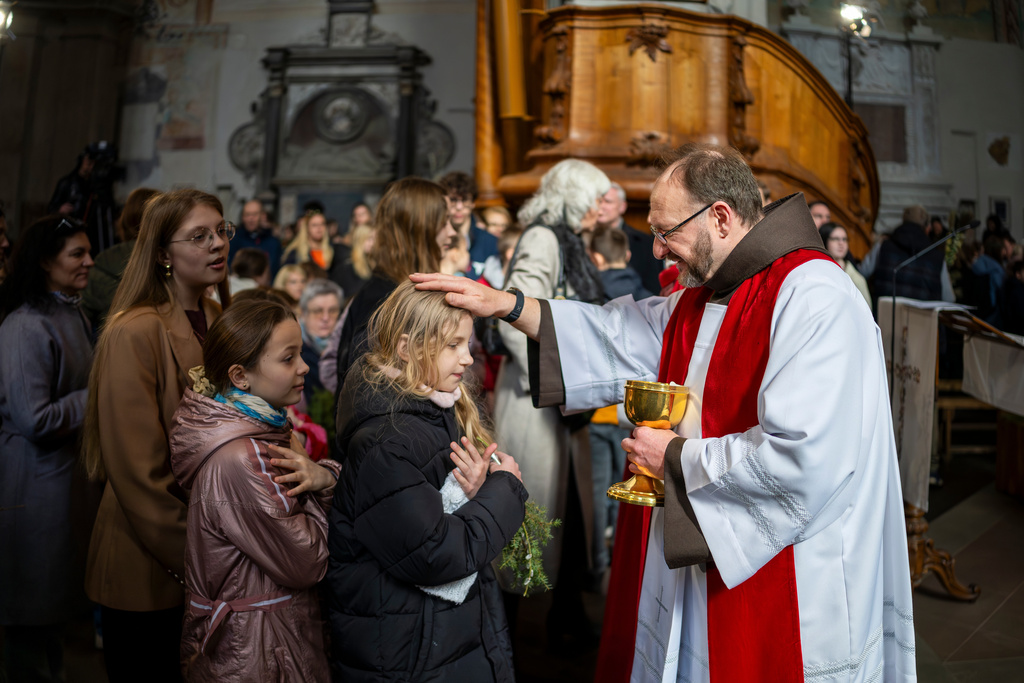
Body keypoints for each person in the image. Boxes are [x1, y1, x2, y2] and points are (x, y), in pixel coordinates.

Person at [413, 141, 915, 683]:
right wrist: (504, 304)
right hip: (710, 557)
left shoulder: (815, 295)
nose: (656, 250)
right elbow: (613, 333)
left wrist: (674, 455)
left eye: (665, 231)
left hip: (798, 579)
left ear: (720, 218)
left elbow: (806, 455)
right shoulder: (706, 294)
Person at [326, 280, 526, 682]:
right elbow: (435, 554)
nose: (467, 358)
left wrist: (473, 490)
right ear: (407, 349)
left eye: (467, 344)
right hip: (408, 651)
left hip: (437, 638)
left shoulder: (432, 412)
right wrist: (503, 487)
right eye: (452, 345)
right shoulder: (384, 443)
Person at [82, 189, 232, 683]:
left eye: (220, 232)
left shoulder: (218, 320)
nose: (217, 244)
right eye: (199, 236)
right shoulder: (135, 330)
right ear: (162, 254)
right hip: (152, 559)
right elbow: (138, 473)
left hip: (215, 548)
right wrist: (202, 561)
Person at [169, 299, 342, 682]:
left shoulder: (257, 431)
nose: (304, 367)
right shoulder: (243, 458)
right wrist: (326, 480)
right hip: (259, 650)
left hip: (267, 639)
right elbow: (308, 560)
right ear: (240, 376)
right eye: (288, 358)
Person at [492, 158, 607, 645]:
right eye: (597, 199)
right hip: (539, 399)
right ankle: (510, 641)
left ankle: (564, 619)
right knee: (531, 519)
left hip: (564, 399)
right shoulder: (543, 238)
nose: (603, 210)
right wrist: (563, 383)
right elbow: (512, 316)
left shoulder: (571, 240)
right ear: (575, 197)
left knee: (572, 514)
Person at [0, 215, 96, 683]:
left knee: (51, 619)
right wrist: (98, 394)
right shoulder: (25, 326)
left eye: (88, 251)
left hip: (62, 482)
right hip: (31, 484)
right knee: (30, 621)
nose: (89, 261)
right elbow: (33, 418)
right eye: (76, 253)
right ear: (44, 262)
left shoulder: (71, 311)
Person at [330, 177, 456, 389]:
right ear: (418, 230)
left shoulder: (400, 292)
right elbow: (370, 391)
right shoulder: (382, 302)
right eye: (444, 223)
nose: (452, 232)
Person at [82, 187, 161, 331]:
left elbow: (82, 320)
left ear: (125, 219)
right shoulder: (171, 261)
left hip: (110, 347)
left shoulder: (101, 264)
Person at [871, 204, 944, 311]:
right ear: (927, 228)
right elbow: (949, 297)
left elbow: (862, 272)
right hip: (922, 322)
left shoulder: (883, 246)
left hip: (884, 318)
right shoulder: (937, 257)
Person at [595, 182, 662, 295]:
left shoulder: (645, 243)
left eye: (607, 201)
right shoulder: (580, 237)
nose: (601, 206)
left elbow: (653, 288)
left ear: (622, 206)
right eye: (599, 201)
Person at [439, 171, 498, 277]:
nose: (459, 207)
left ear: (473, 203)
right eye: (453, 200)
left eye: (465, 200)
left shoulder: (490, 242)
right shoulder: (437, 238)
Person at [819, 221, 870, 305]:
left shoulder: (856, 278)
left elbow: (867, 310)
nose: (841, 243)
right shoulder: (818, 269)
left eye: (844, 239)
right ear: (824, 240)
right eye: (835, 239)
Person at [230, 199, 282, 277]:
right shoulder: (234, 240)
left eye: (254, 214)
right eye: (247, 215)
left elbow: (275, 270)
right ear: (242, 217)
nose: (251, 219)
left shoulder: (273, 242)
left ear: (263, 216)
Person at [329, 223, 375, 299]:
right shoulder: (347, 266)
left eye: (375, 239)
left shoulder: (374, 264)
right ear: (360, 239)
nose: (373, 243)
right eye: (370, 238)